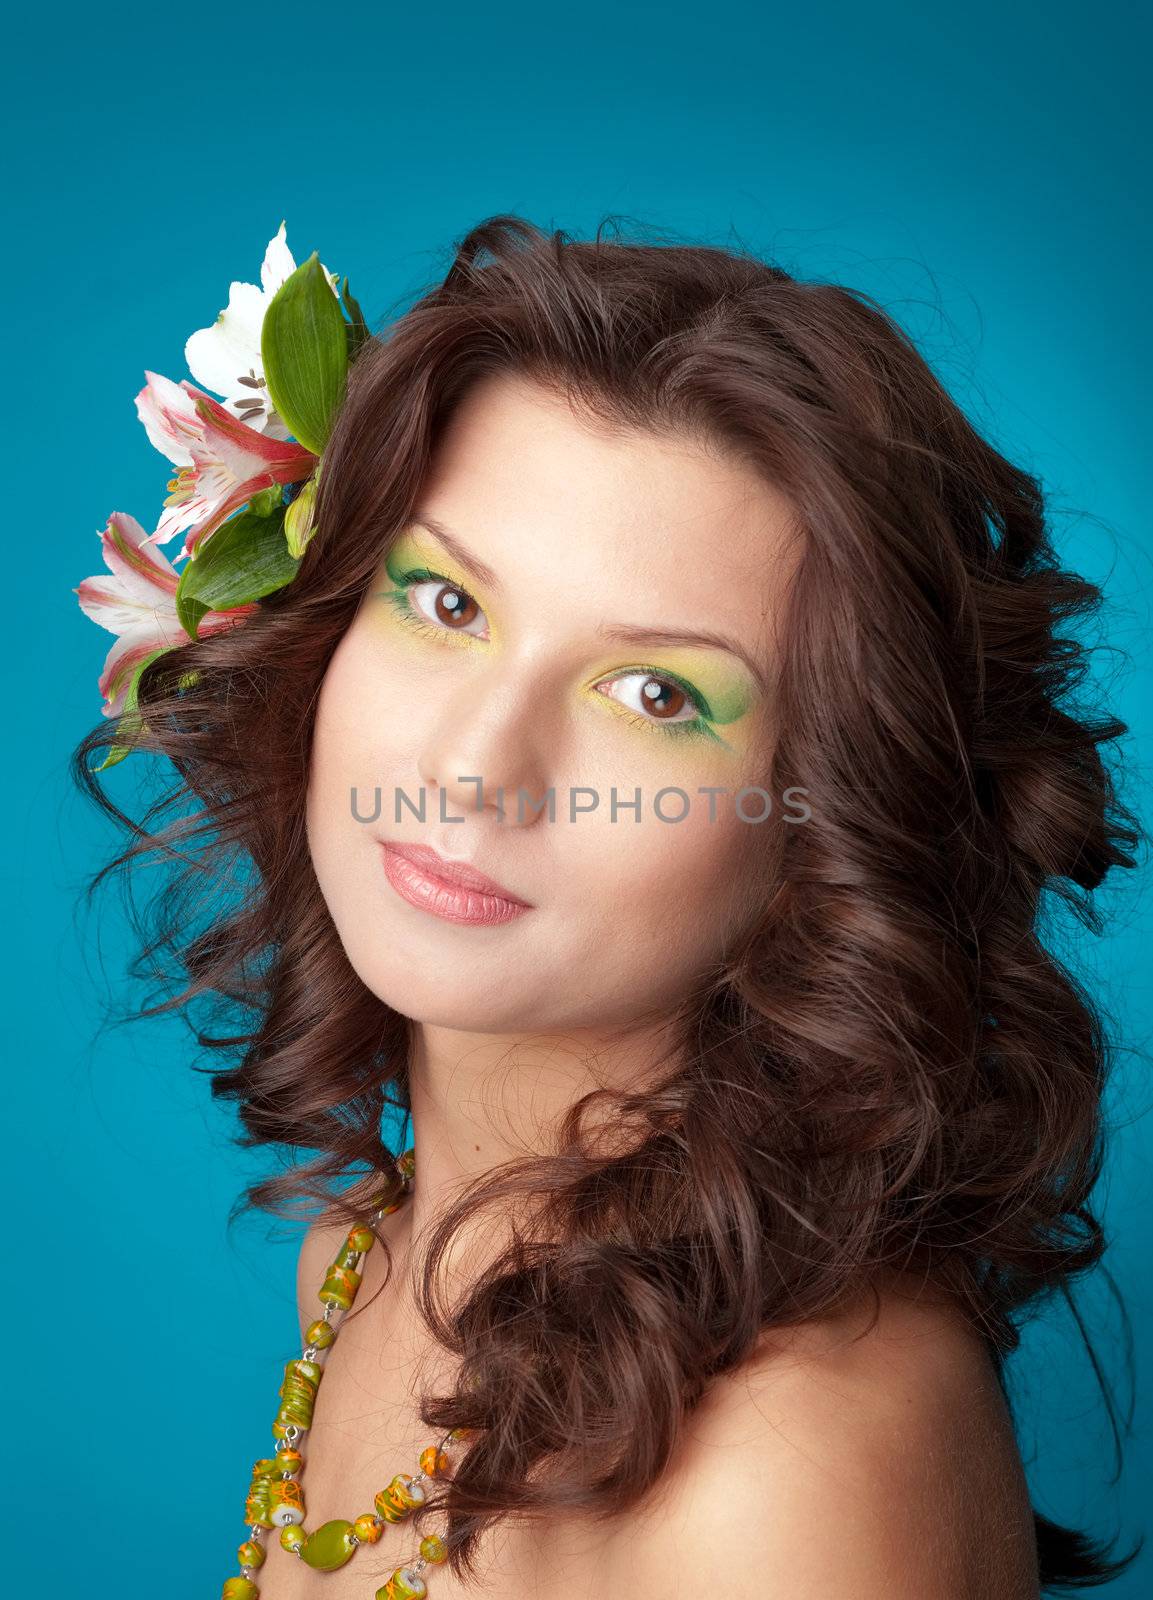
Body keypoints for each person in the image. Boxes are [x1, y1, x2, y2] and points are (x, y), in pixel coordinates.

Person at [73, 214, 1143, 1598]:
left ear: (828, 820)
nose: (472, 771)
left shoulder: (786, 1471)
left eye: (654, 695)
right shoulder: (367, 1258)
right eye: (445, 602)